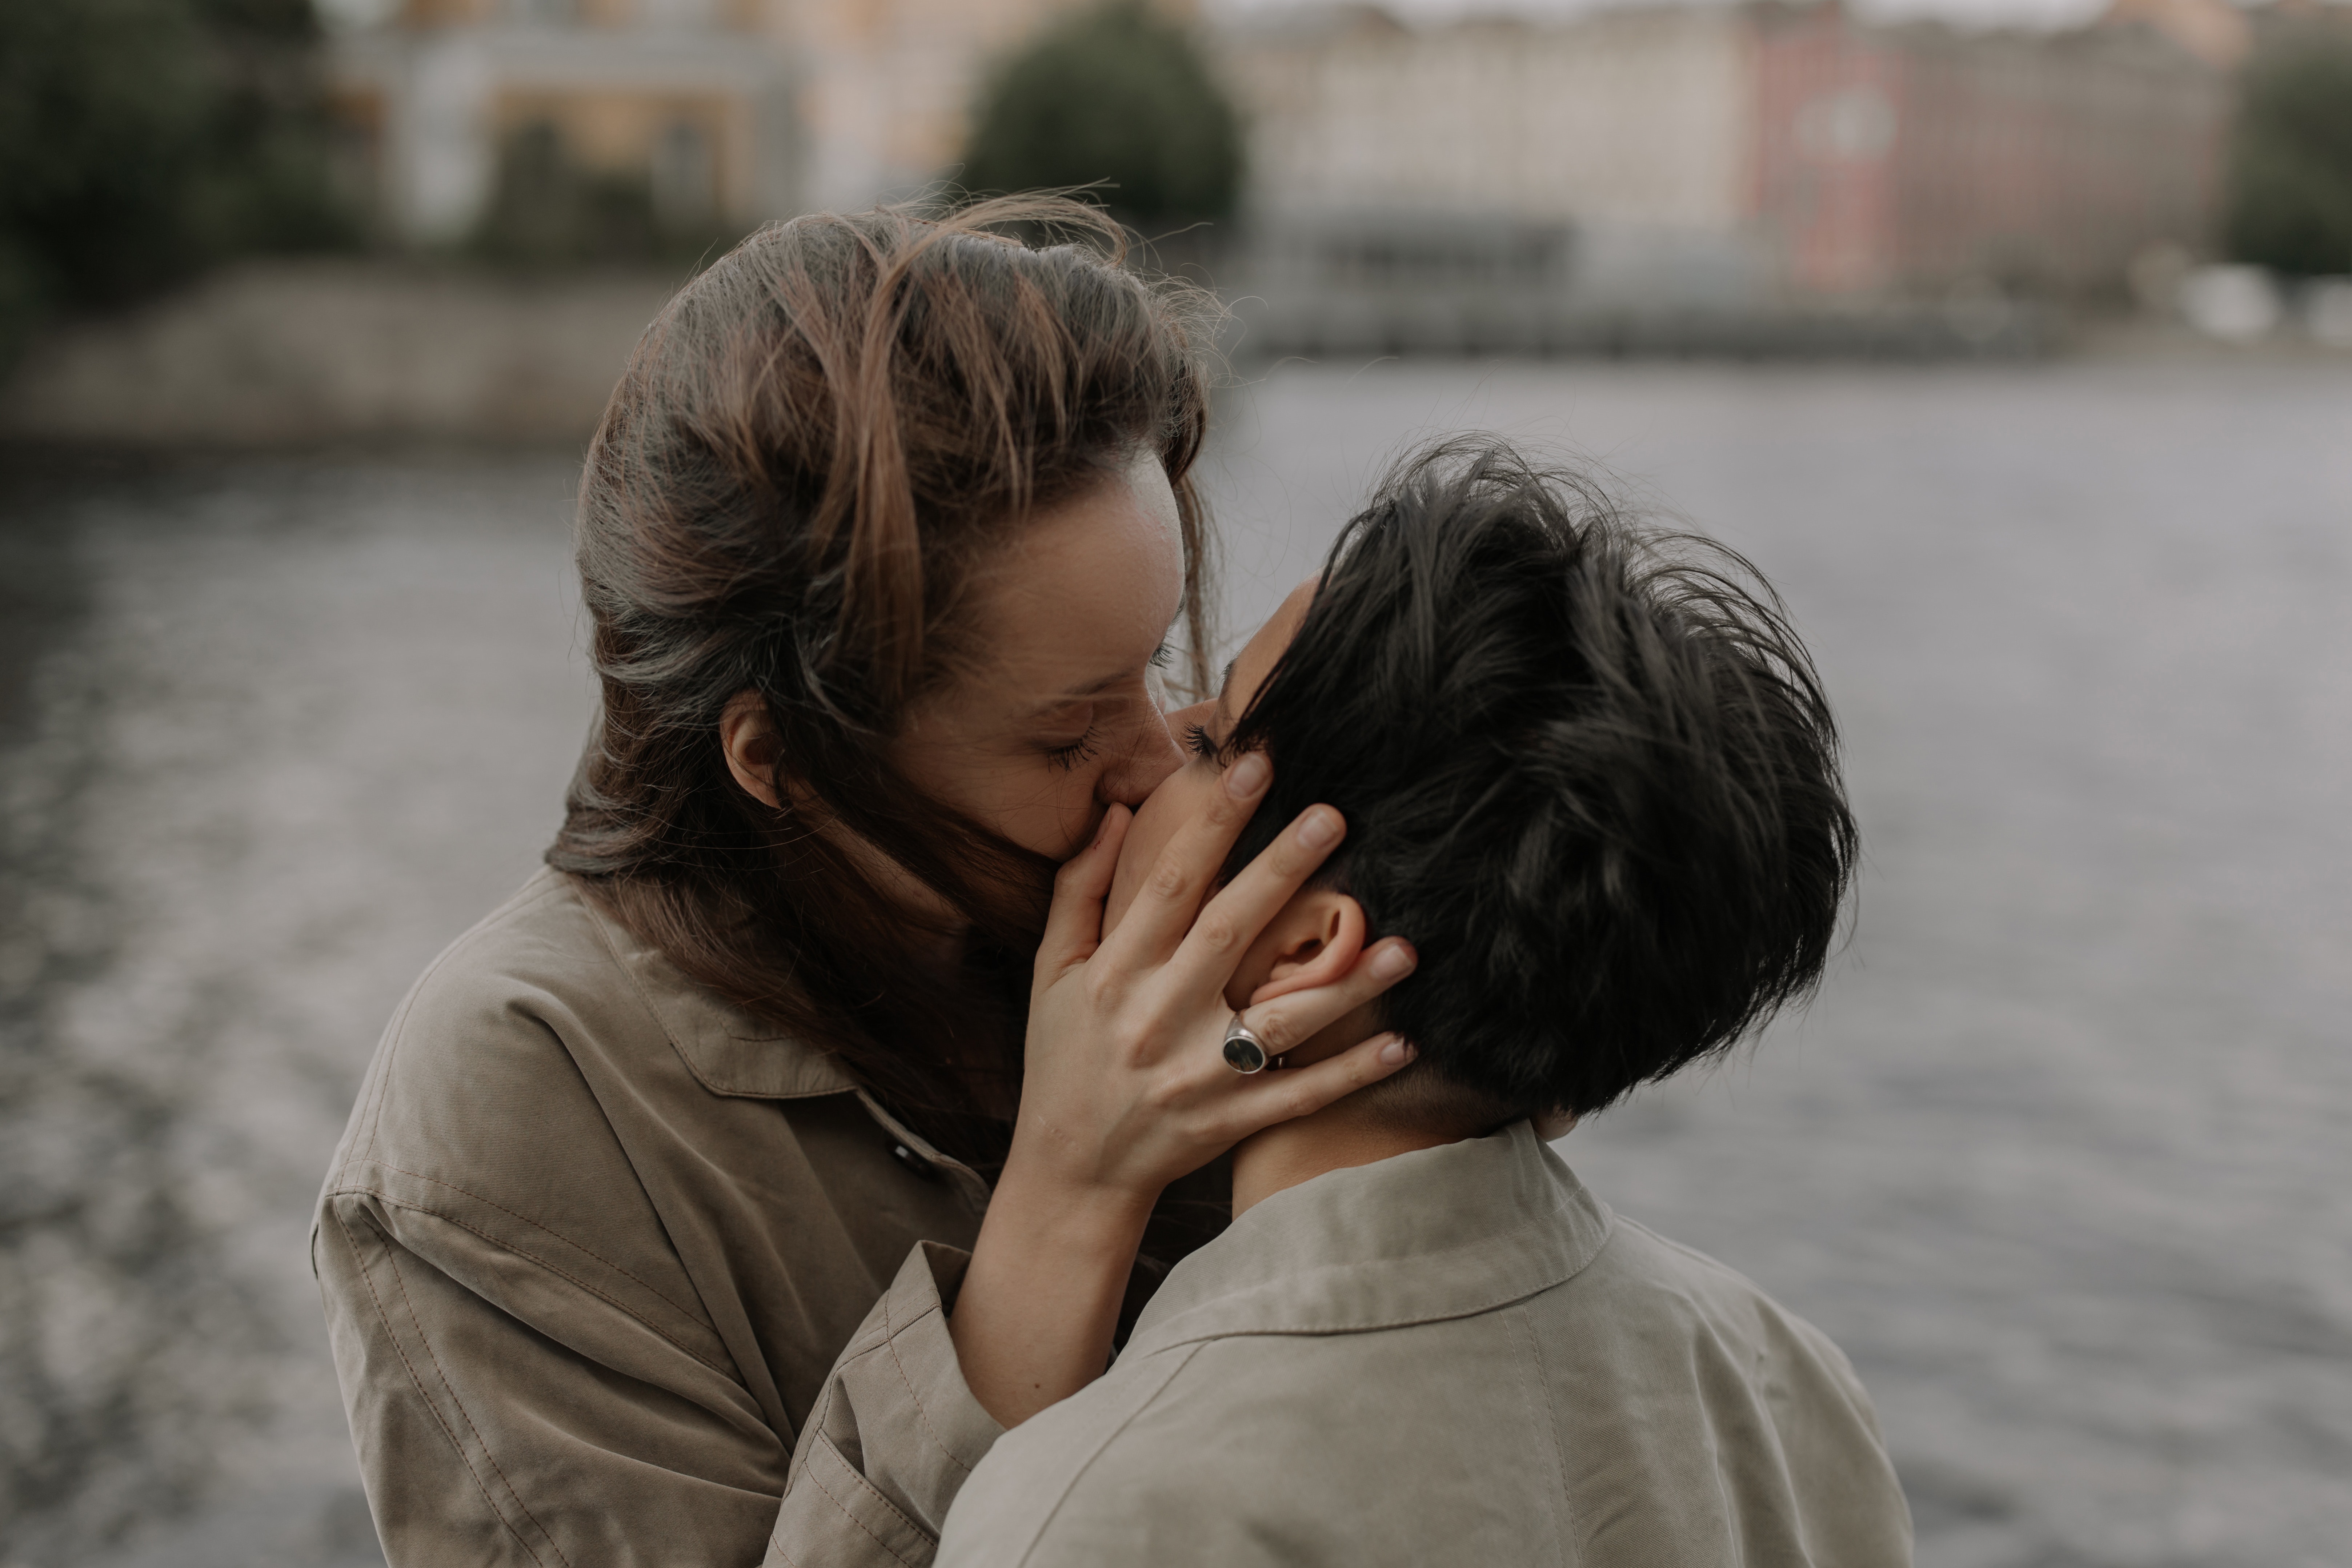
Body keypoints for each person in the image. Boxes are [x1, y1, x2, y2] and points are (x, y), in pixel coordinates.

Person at [310, 198, 1426, 1568]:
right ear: (778, 757)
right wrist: (1073, 1190)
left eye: (1157, 670)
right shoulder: (514, 1108)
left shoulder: (1176, 919)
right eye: (1066, 732)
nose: (1158, 764)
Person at [933, 442, 1913, 1568]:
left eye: (1212, 744)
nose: (1158, 744)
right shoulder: (1788, 1386)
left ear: (1305, 949)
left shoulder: (1095, 1510)